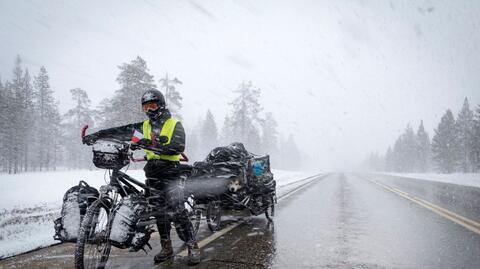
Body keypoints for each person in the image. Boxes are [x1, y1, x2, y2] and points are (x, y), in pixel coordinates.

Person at [82, 89, 200, 265]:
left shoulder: (174, 124)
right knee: (160, 212)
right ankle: (166, 247)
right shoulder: (144, 127)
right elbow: (122, 131)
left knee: (176, 209)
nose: (149, 110)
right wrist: (98, 136)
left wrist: (152, 144)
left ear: (161, 105)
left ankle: (192, 245)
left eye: (152, 106)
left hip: (170, 171)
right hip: (152, 172)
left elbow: (178, 146)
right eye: (146, 107)